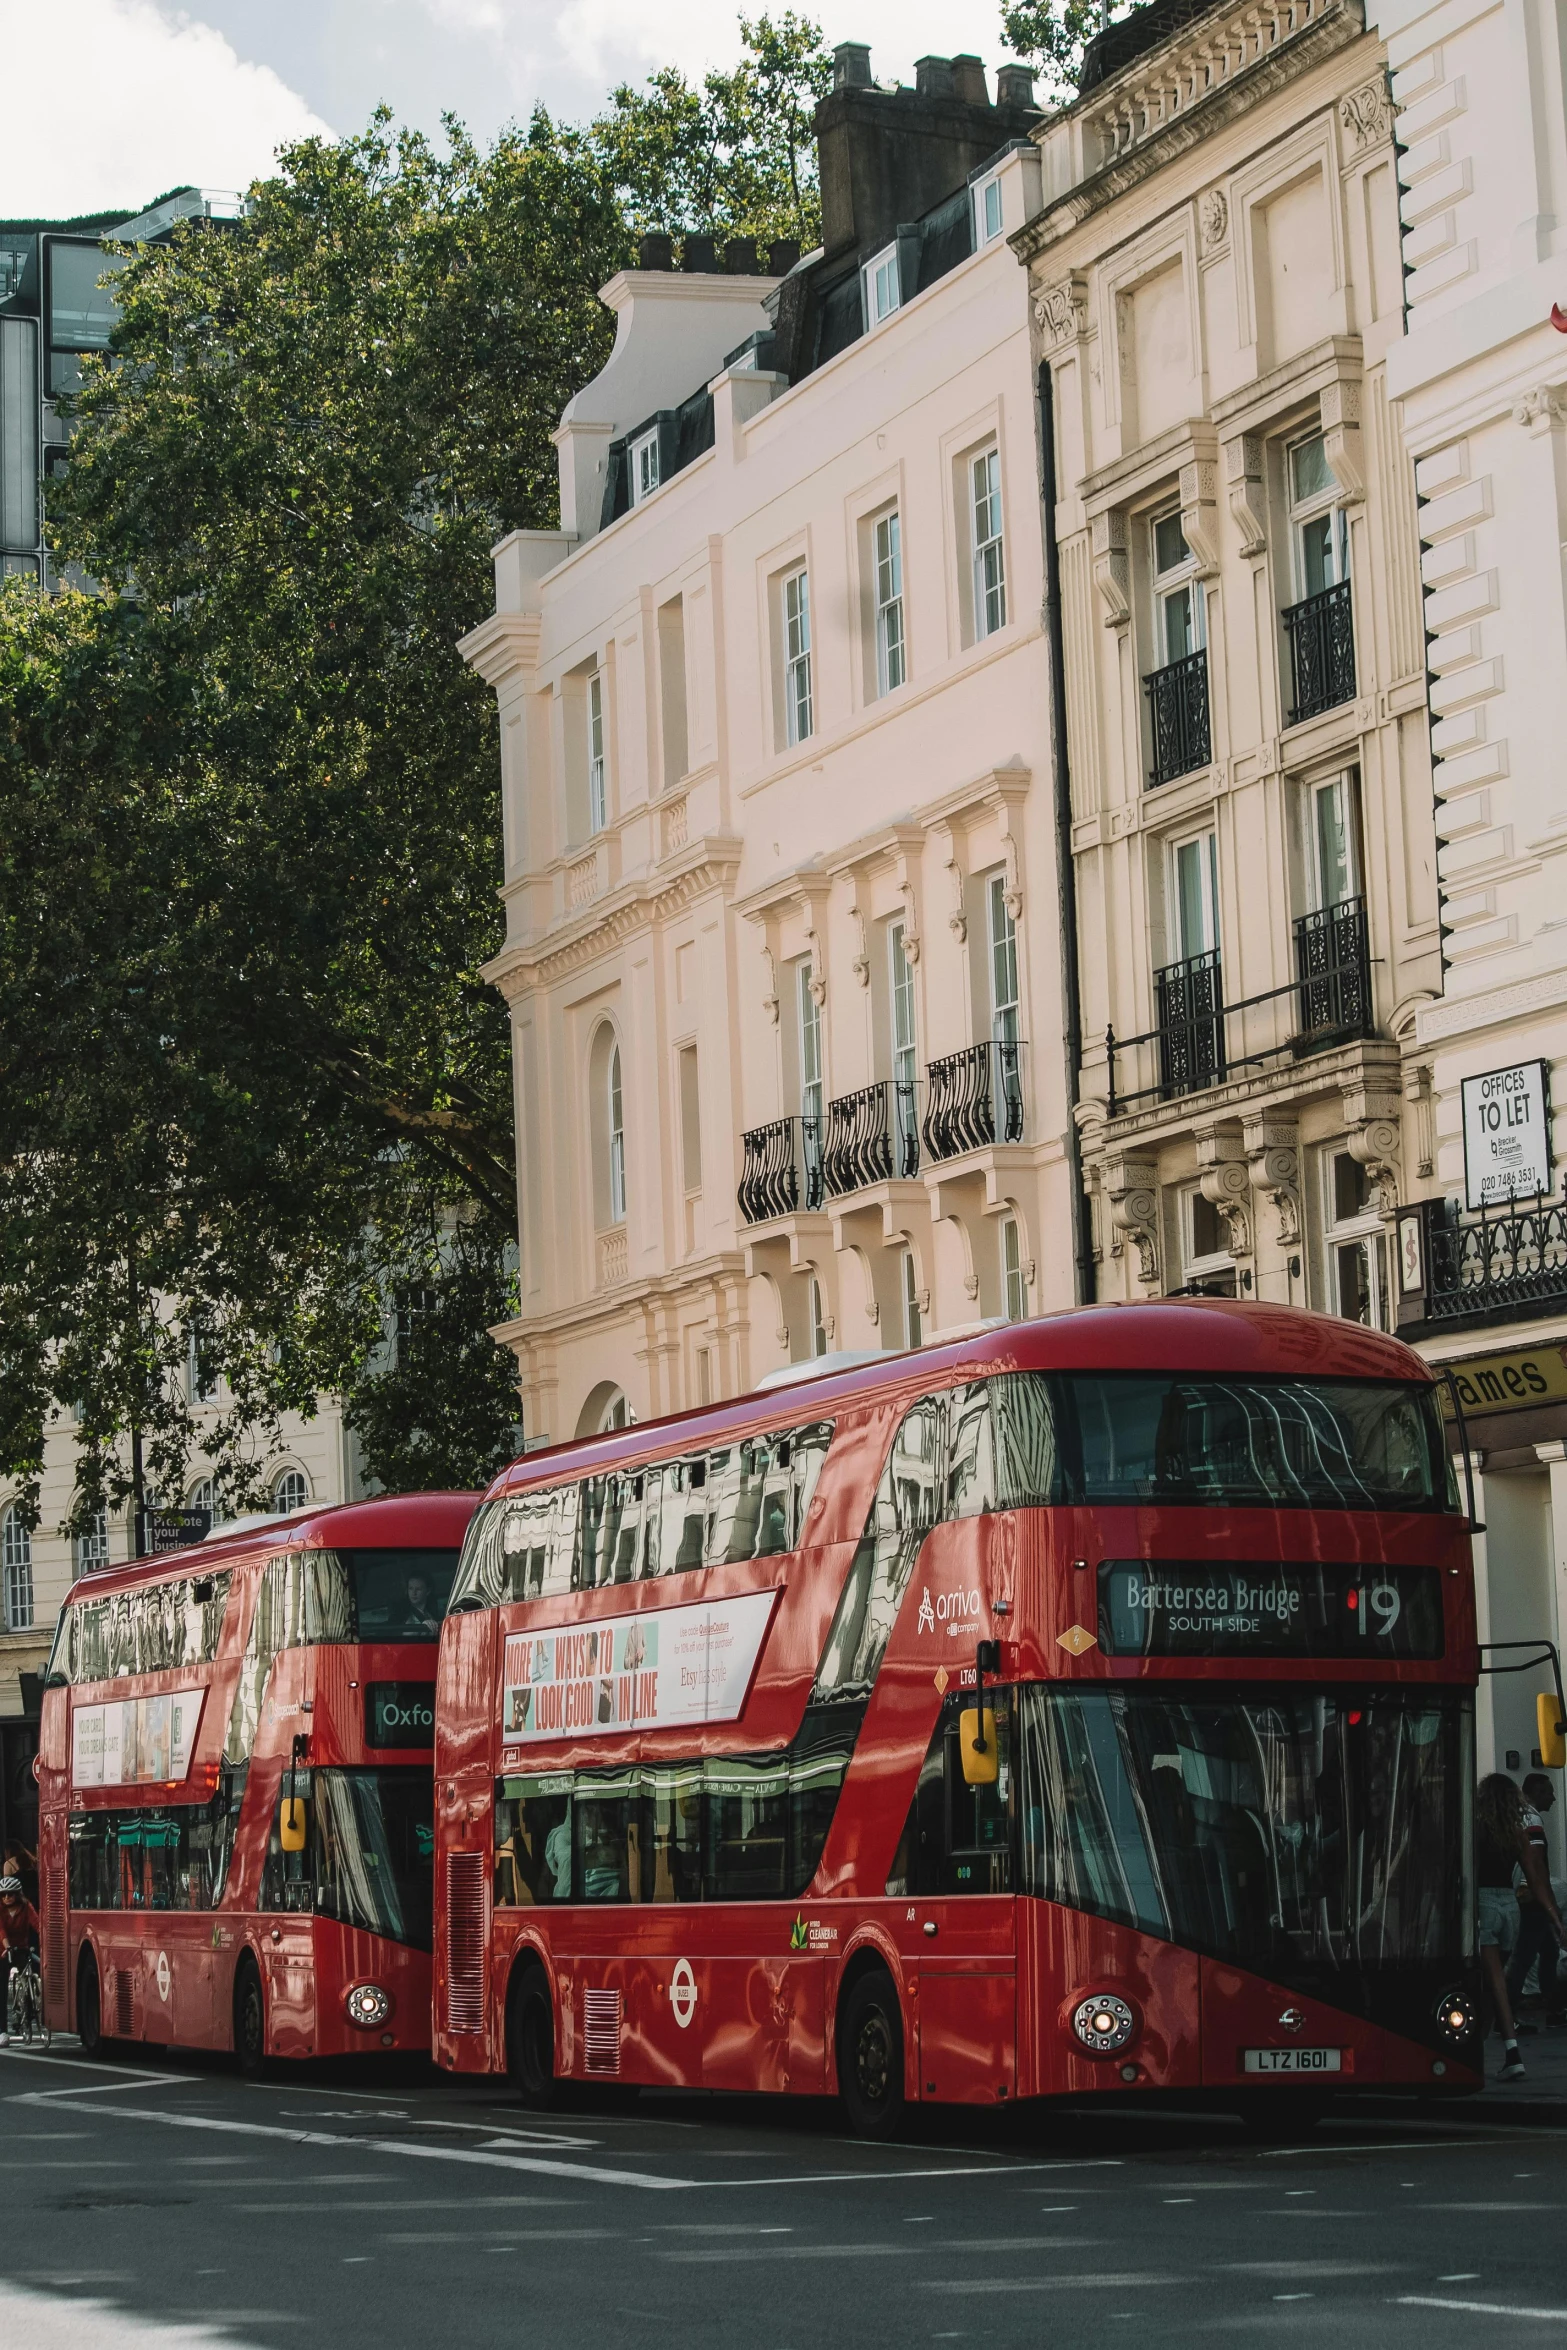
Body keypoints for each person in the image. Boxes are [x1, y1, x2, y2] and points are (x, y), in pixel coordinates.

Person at [1476, 1773, 1567, 2079]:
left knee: (1494, 1981)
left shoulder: (1475, 1829)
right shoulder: (1517, 1832)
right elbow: (1537, 1877)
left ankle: (1511, 2051)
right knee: (1495, 1978)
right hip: (1509, 1910)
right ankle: (1497, 2035)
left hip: (1484, 1903)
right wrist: (1556, 1919)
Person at [1508, 1772, 1567, 2028]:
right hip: (1532, 1898)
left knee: (1549, 1951)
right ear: (1535, 1793)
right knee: (1524, 1957)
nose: (1553, 1798)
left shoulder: (1519, 1816)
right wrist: (1550, 1904)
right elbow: (1536, 1865)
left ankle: (1554, 2009)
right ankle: (1506, 2015)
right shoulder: (1531, 1819)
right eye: (1548, 1792)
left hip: (1529, 1896)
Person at [0, 1872, 40, 2046]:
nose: (7, 1897)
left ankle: (29, 2007)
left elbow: (37, 1924)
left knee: (33, 1973)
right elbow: (0, 1930)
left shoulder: (26, 1907)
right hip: (3, 1949)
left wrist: (46, 1940)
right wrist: (7, 1947)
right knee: (1, 1989)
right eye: (3, 1894)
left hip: (22, 1948)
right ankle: (2, 2032)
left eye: (10, 1894)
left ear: (18, 1894)